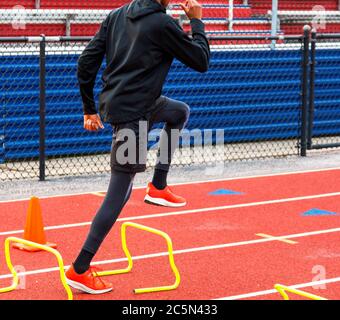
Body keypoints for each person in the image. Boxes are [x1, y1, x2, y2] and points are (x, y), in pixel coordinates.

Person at [65, 0, 210, 294]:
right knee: (120, 191)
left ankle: (158, 185)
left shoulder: (117, 15)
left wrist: (89, 109)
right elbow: (201, 60)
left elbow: (85, 62)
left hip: (139, 103)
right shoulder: (162, 23)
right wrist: (196, 22)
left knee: (179, 112)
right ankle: (80, 268)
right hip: (132, 115)